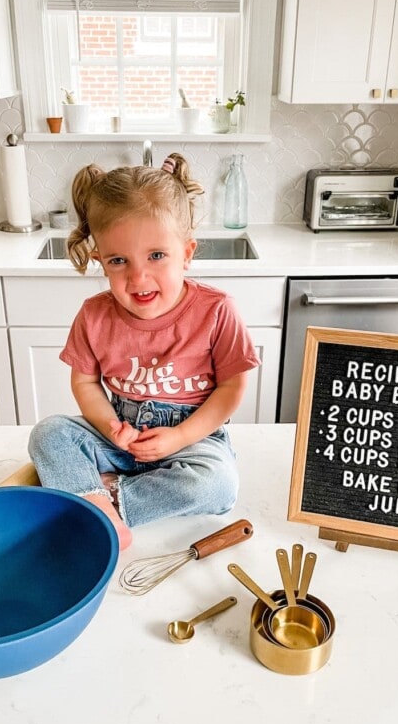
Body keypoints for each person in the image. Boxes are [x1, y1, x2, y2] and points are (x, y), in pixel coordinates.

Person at [28, 153, 260, 550]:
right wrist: (110, 427)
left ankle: (106, 500)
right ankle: (96, 500)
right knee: (48, 434)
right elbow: (84, 382)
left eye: (156, 256)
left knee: (219, 485)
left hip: (192, 439)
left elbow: (232, 388)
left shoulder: (216, 310)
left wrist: (179, 436)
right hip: (120, 437)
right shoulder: (94, 314)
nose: (138, 277)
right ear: (100, 260)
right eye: (119, 261)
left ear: (186, 253)